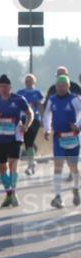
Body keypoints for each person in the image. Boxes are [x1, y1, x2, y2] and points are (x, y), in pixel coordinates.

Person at [0, 74, 33, 207]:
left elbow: (29, 113)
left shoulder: (19, 99)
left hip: (15, 137)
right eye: (1, 86)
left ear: (10, 87)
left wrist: (26, 125)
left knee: (13, 165)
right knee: (2, 169)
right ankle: (8, 193)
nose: (4, 89)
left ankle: (13, 192)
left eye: (6, 86)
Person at [43, 74, 81, 208]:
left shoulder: (75, 99)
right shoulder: (52, 99)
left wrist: (78, 125)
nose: (60, 88)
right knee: (58, 166)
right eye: (58, 86)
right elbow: (47, 114)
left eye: (63, 85)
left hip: (72, 137)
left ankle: (76, 188)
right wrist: (47, 129)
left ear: (68, 86)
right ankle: (58, 196)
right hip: (58, 137)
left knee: (73, 166)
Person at [17, 73, 45, 175]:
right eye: (26, 80)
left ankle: (30, 165)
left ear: (34, 82)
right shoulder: (20, 93)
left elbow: (42, 106)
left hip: (34, 120)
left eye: (30, 80)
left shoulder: (37, 93)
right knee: (26, 142)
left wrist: (44, 122)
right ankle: (32, 162)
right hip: (23, 119)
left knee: (29, 141)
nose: (28, 82)